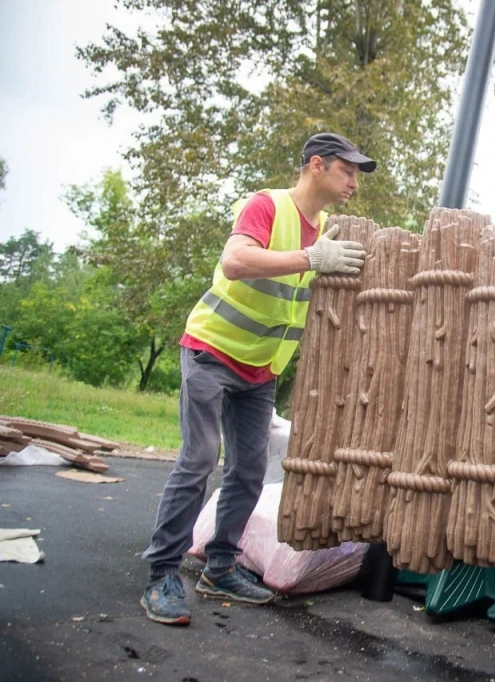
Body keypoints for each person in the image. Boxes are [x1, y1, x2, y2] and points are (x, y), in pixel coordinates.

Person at [140, 133, 377, 626]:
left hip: (259, 368)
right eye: (347, 170)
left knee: (248, 468)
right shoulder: (268, 206)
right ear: (316, 165)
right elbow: (237, 261)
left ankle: (220, 567)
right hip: (211, 351)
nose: (354, 180)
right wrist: (311, 259)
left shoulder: (330, 229)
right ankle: (162, 573)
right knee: (200, 457)